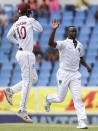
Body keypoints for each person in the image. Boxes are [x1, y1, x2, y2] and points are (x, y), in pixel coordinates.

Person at [44, 18, 91, 129]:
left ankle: (82, 121)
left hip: (75, 74)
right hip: (63, 73)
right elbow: (50, 43)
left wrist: (87, 66)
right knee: (60, 98)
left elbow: (81, 58)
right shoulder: (63, 44)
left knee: (78, 99)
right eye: (71, 31)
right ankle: (48, 99)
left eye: (75, 31)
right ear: (67, 33)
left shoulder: (80, 45)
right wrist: (53, 30)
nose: (73, 32)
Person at [4, 3, 43, 123]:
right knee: (28, 81)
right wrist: (32, 18)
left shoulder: (16, 23)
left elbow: (8, 36)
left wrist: (17, 43)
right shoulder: (30, 20)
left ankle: (11, 91)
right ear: (28, 12)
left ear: (19, 12)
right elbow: (40, 29)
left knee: (33, 79)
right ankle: (22, 109)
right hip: (27, 54)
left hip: (20, 53)